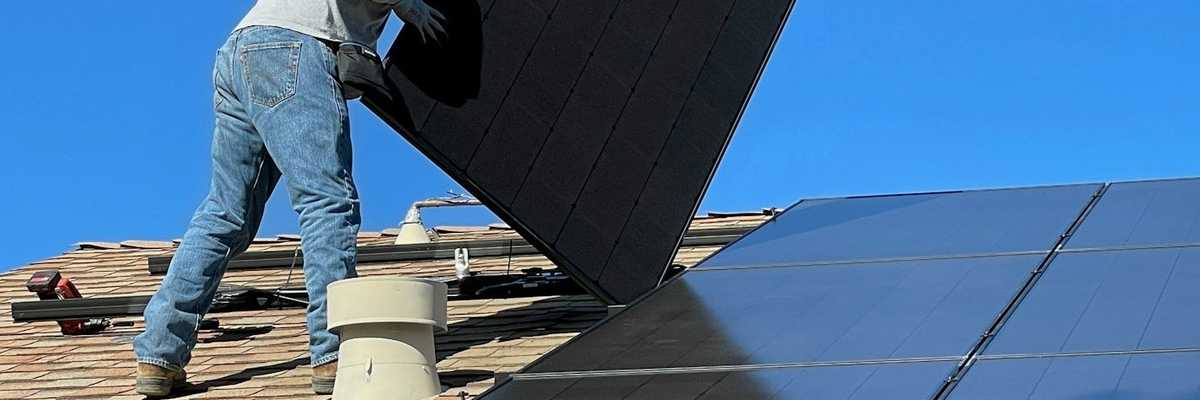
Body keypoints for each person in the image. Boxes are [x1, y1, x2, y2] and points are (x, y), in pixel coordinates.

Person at [132, 0, 444, 396]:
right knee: (328, 201)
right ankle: (334, 354)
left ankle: (160, 355)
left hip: (243, 49)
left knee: (226, 213)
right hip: (295, 47)